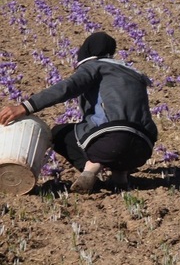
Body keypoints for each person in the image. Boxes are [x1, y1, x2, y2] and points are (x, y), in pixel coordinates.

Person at [0, 32, 158, 193]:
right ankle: (120, 177)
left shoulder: (95, 66)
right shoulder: (134, 74)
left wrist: (26, 106)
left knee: (60, 133)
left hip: (111, 140)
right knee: (121, 138)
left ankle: (91, 169)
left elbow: (67, 88)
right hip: (143, 148)